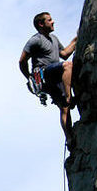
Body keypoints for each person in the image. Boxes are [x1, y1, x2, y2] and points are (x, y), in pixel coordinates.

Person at [19, 12, 77, 142]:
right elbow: (22, 61)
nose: (53, 22)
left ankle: (70, 139)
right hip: (43, 74)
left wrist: (76, 40)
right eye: (49, 20)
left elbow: (64, 53)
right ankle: (69, 97)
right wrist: (29, 77)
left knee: (64, 108)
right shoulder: (36, 39)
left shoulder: (53, 39)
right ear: (41, 24)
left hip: (53, 75)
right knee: (68, 66)